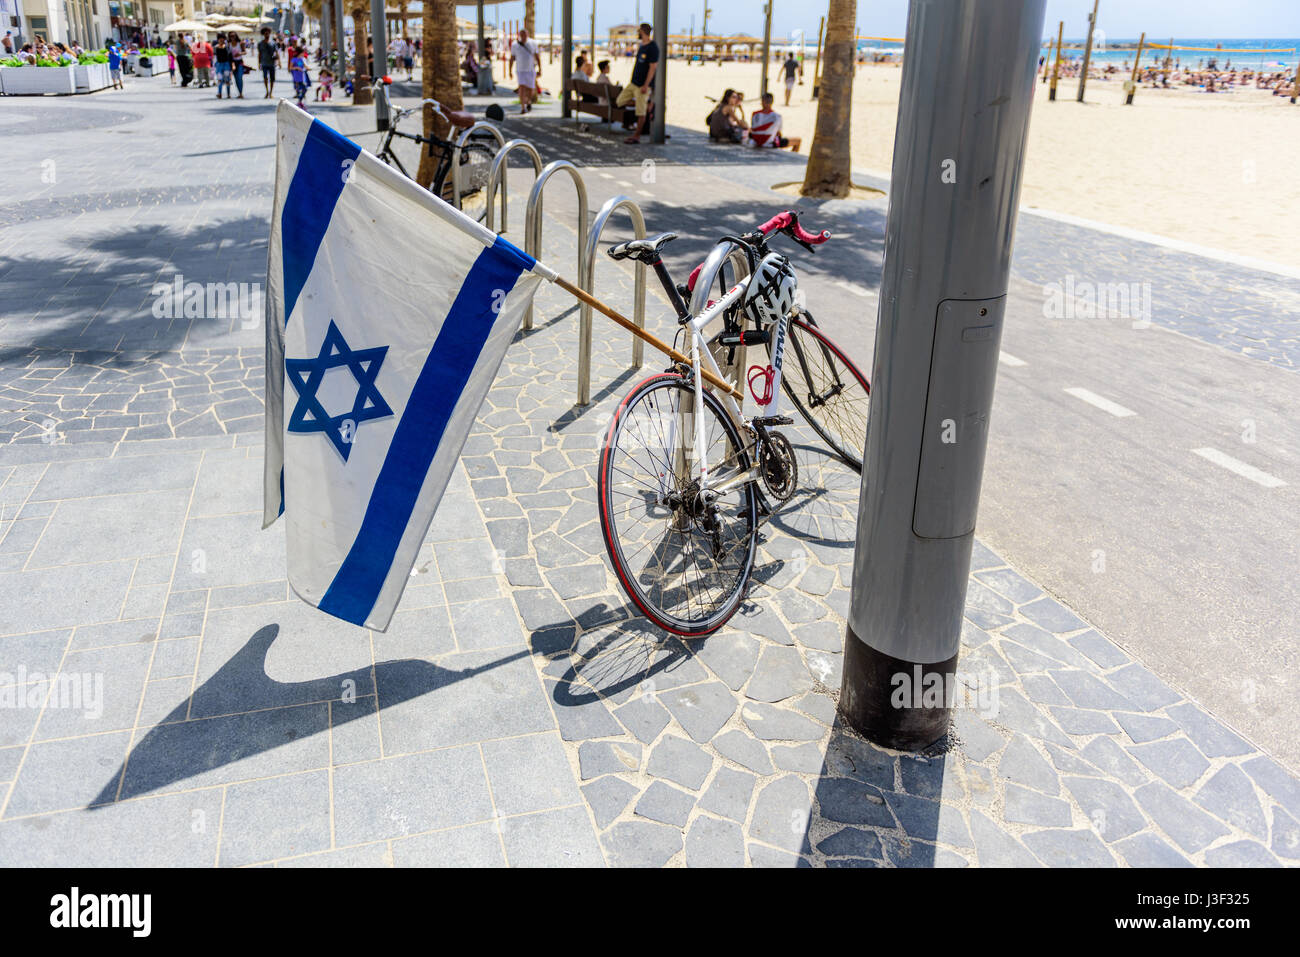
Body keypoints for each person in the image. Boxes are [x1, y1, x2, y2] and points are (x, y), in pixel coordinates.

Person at [616, 22, 659, 144]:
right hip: (634, 83)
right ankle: (646, 105)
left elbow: (652, 67)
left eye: (639, 31)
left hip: (642, 85)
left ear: (643, 31)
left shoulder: (652, 47)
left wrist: (646, 85)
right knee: (620, 101)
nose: (637, 34)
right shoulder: (642, 46)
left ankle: (637, 136)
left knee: (640, 112)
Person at [510, 27, 540, 113]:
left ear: (528, 34)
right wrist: (510, 70)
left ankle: (528, 101)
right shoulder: (515, 44)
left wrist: (540, 68)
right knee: (521, 88)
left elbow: (537, 56)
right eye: (522, 34)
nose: (523, 36)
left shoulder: (533, 43)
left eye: (525, 34)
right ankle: (523, 107)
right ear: (520, 35)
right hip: (520, 70)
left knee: (531, 89)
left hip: (530, 70)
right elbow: (512, 58)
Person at [258, 27, 279, 98]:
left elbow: (276, 52)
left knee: (272, 78)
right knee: (265, 77)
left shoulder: (273, 43)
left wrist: (279, 62)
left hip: (272, 63)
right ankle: (267, 91)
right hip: (264, 63)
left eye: (268, 33)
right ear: (263, 34)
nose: (267, 34)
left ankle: (271, 92)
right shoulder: (260, 43)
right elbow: (259, 54)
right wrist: (259, 63)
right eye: (265, 33)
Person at [229, 32, 246, 98]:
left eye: (233, 36)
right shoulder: (229, 44)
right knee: (236, 79)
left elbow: (245, 52)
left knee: (239, 77)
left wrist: (239, 53)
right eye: (231, 36)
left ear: (236, 36)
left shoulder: (240, 43)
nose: (232, 37)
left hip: (239, 62)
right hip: (233, 62)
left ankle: (241, 92)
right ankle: (239, 92)